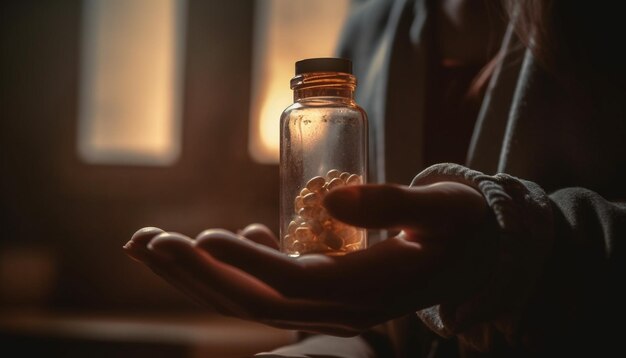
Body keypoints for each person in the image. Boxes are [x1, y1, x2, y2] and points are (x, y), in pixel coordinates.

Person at [123, 0, 625, 356]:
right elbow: (381, 321)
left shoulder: (598, 24)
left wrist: (509, 249)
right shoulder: (370, 26)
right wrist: (320, 350)